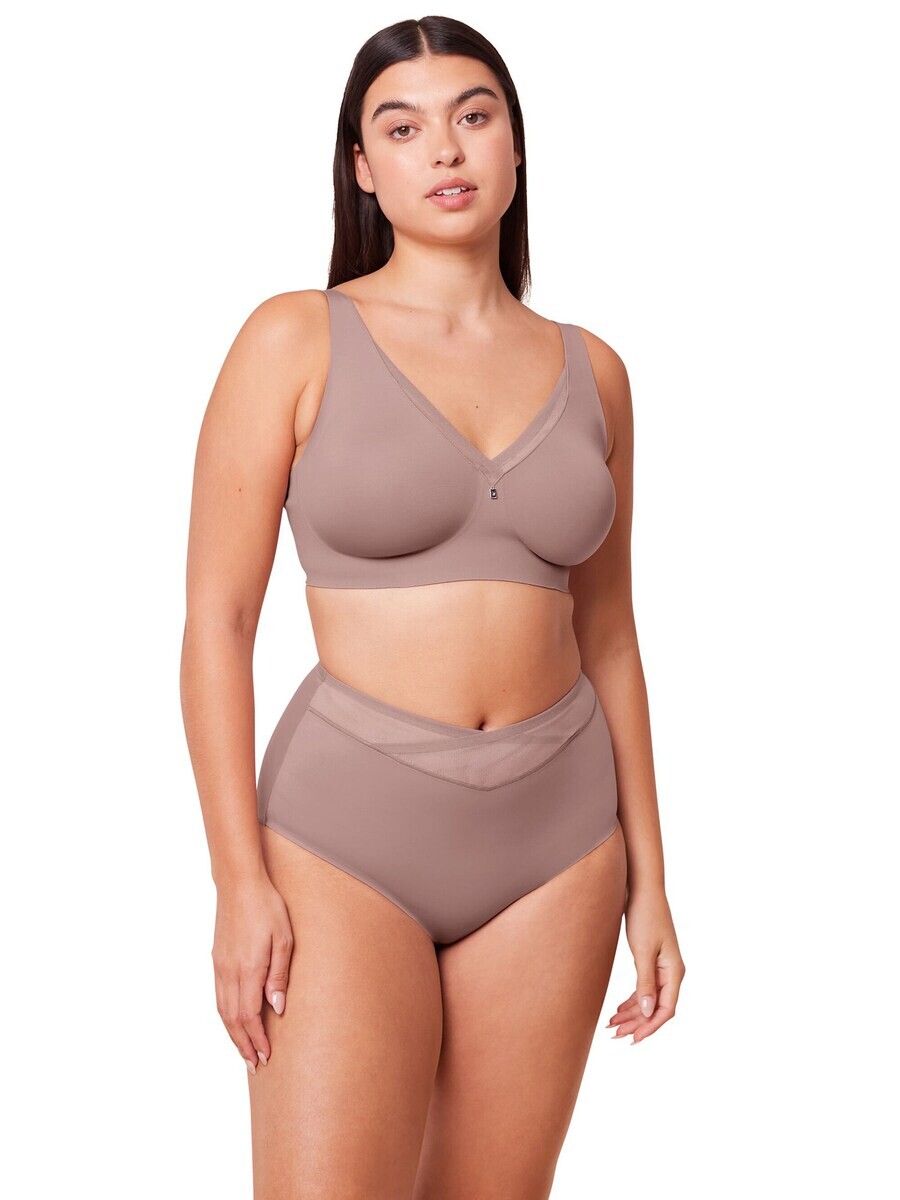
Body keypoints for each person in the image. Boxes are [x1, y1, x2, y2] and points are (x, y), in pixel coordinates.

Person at [181, 15, 685, 1198]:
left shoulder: (596, 371)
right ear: (363, 169)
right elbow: (217, 624)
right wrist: (237, 881)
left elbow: (612, 639)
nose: (445, 149)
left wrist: (652, 882)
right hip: (343, 837)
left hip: (560, 846)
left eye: (473, 115)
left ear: (515, 143)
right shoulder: (294, 338)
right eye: (401, 129)